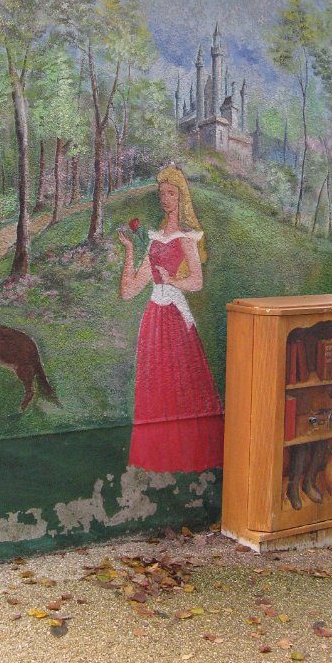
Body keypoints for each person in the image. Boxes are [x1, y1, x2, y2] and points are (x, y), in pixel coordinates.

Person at [118, 165, 224, 472]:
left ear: (181, 197)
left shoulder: (186, 238)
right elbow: (129, 290)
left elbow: (197, 281)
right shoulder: (153, 239)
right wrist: (129, 251)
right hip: (153, 318)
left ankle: (187, 455)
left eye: (171, 193)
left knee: (181, 383)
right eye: (162, 193)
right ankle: (157, 457)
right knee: (155, 384)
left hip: (175, 318)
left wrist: (172, 280)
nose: (165, 199)